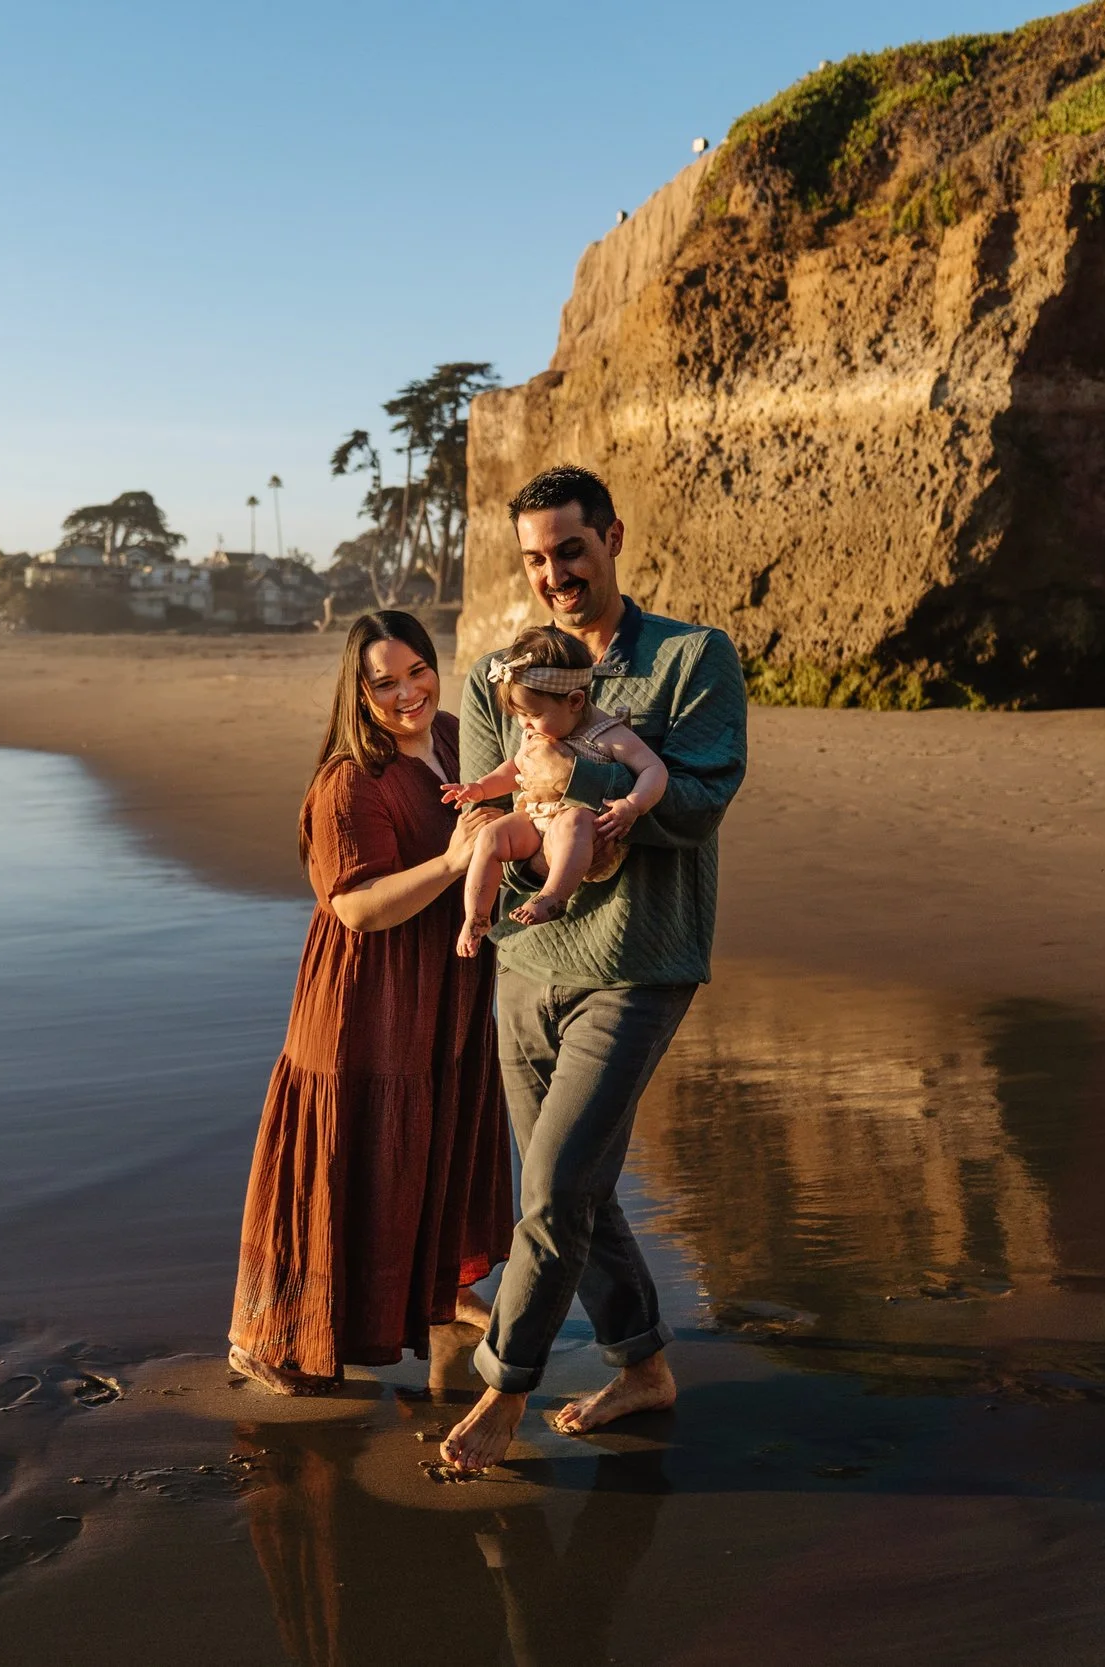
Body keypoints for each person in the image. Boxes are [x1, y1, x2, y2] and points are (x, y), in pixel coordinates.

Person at [439, 465, 748, 1469]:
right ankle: (641, 1362)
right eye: (534, 558)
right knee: (578, 1183)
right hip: (524, 960)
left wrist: (583, 777)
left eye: (570, 549)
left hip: (637, 959)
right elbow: (493, 811)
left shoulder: (691, 659)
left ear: (611, 536)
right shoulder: (500, 672)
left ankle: (503, 1386)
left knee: (557, 1182)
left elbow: (697, 803)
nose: (554, 574)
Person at [228, 610, 516, 1394]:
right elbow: (356, 906)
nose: (407, 692)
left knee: (431, 1139)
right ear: (358, 691)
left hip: (446, 986)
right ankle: (281, 1335)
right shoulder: (350, 779)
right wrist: (457, 863)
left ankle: (432, 1294)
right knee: (354, 1151)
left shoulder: (462, 738)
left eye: (417, 670)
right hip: (367, 1000)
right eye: (384, 681)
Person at [445, 624, 668, 950]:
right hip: (536, 820)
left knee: (573, 821)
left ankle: (553, 896)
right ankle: (476, 916)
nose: (525, 725)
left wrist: (633, 804)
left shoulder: (607, 734)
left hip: (584, 834)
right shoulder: (537, 731)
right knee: (491, 836)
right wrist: (480, 788)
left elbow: (654, 768)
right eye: (519, 716)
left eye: (532, 716)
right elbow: (514, 768)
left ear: (576, 700)